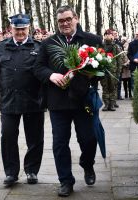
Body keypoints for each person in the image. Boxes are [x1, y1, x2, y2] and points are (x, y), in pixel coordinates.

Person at [33, 5, 102, 197]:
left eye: (68, 19)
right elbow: (38, 68)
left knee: (89, 139)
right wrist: (51, 75)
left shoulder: (92, 40)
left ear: (76, 18)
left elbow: (102, 70)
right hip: (58, 102)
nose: (65, 23)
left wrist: (89, 75)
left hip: (83, 100)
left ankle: (87, 164)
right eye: (61, 21)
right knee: (59, 143)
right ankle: (65, 181)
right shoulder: (48, 43)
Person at [0, 13, 45, 187]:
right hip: (9, 100)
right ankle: (11, 173)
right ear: (11, 29)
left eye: (23, 29)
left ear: (29, 28)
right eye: (16, 29)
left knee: (35, 138)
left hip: (33, 100)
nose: (20, 32)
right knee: (8, 136)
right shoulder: (1, 47)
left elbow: (44, 73)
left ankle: (32, 170)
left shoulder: (38, 47)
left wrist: (46, 97)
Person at [101, 29, 124, 111]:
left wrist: (118, 72)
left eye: (109, 34)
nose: (108, 36)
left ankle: (112, 104)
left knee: (113, 88)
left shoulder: (116, 47)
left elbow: (119, 61)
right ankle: (106, 104)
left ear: (112, 36)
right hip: (104, 71)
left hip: (113, 71)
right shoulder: (101, 46)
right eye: (106, 34)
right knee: (105, 88)